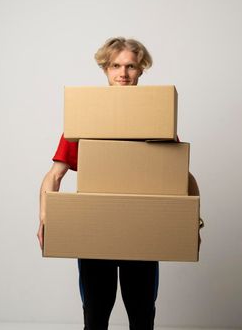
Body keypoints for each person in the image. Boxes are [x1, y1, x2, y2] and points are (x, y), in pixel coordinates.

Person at [38, 37, 157, 330]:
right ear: (105, 69)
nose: (123, 73)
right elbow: (54, 174)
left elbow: (178, 172)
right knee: (95, 316)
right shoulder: (84, 118)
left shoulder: (158, 117)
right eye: (116, 65)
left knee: (142, 316)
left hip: (141, 227)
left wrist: (191, 221)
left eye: (131, 66)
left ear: (141, 70)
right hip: (95, 227)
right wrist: (46, 217)